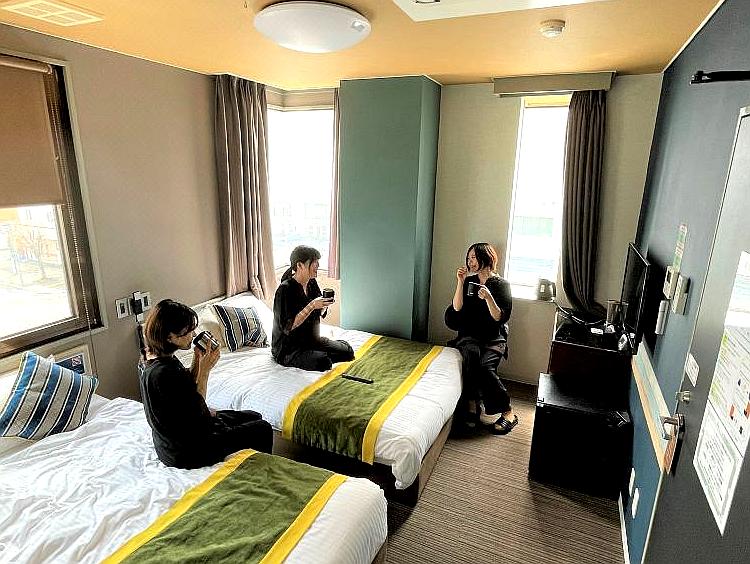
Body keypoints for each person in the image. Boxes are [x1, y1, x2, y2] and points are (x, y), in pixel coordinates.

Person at [139, 299, 273, 468]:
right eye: (187, 332)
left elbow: (184, 387)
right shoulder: (163, 374)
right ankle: (260, 472)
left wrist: (197, 358)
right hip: (188, 449)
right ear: (169, 337)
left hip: (181, 436)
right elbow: (197, 412)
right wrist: (205, 371)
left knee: (253, 415)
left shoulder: (156, 359)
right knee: (263, 428)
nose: (193, 335)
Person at [445, 243, 518, 434]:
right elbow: (457, 308)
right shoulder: (470, 281)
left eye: (474, 258)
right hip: (470, 335)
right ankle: (472, 403)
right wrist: (460, 282)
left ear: (486, 258)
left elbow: (500, 317)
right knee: (470, 357)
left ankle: (508, 411)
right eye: (468, 258)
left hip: (494, 337)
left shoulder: (502, 285)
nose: (470, 262)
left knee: (485, 367)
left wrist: (488, 298)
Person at [272, 245, 354, 371]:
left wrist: (324, 305)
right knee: (323, 362)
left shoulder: (311, 282)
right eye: (314, 262)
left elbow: (318, 312)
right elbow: (288, 326)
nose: (318, 265)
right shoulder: (285, 290)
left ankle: (319, 354)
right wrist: (312, 305)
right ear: (300, 265)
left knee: (348, 352)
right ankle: (319, 356)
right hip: (289, 349)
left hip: (312, 340)